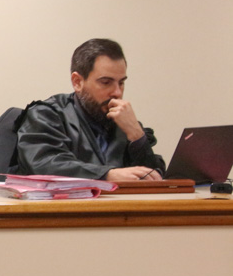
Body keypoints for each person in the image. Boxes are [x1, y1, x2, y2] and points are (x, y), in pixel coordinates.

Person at [16, 38, 166, 181]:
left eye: (121, 83)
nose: (117, 92)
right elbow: (45, 164)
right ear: (77, 82)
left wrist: (137, 137)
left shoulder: (124, 123)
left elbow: (153, 177)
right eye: (106, 82)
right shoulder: (46, 115)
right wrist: (107, 175)